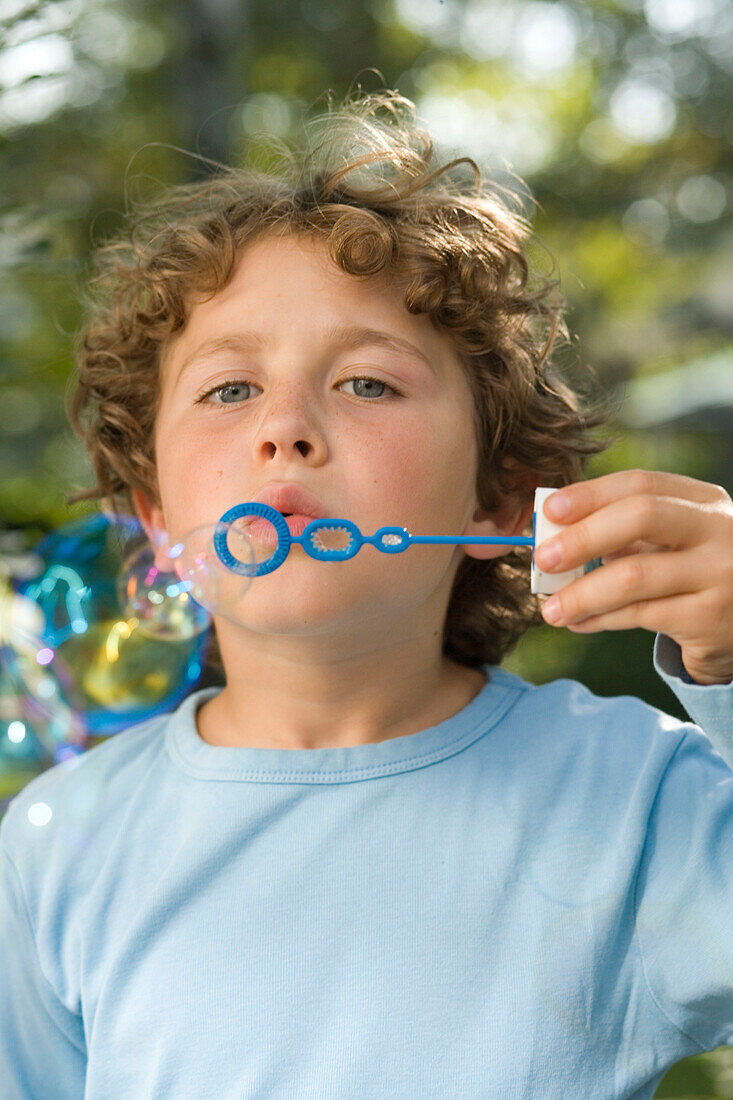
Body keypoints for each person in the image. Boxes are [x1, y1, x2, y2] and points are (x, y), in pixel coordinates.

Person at [1, 88, 731, 1099]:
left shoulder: (638, 798)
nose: (285, 428)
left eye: (368, 384)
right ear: (156, 521)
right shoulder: (58, 845)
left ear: (498, 501)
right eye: (228, 389)